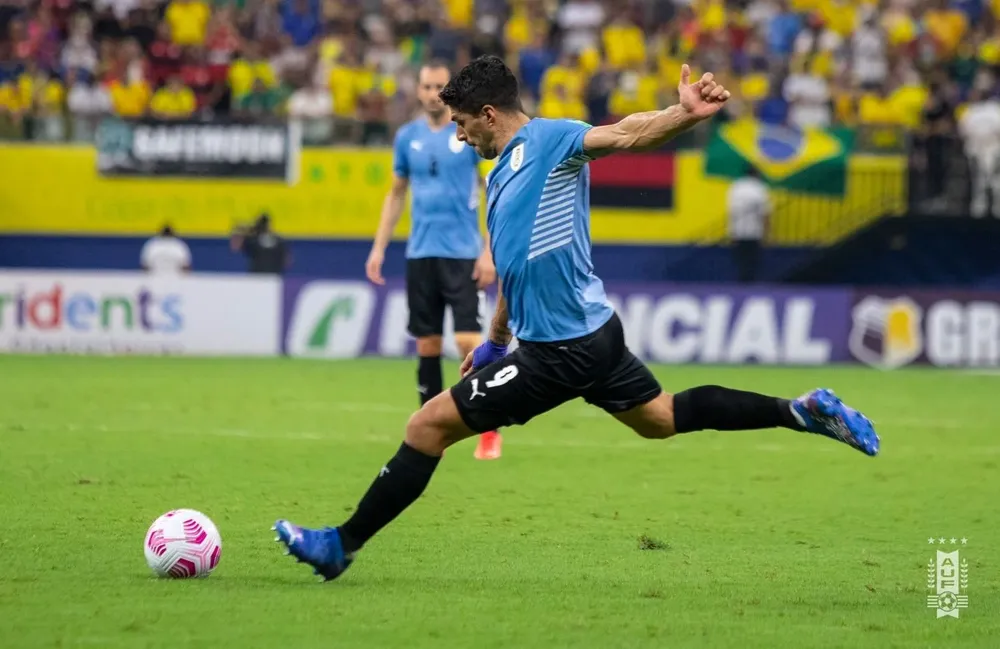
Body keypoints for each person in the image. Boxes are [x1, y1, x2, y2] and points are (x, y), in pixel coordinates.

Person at [273, 56, 880, 581]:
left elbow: (627, 135)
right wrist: (493, 343)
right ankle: (800, 411)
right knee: (661, 419)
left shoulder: (552, 140)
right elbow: (513, 268)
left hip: (559, 351)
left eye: (461, 123)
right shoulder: (499, 176)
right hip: (591, 334)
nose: (458, 137)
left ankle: (340, 546)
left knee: (427, 426)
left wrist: (686, 113)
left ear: (489, 113)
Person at [365, 60, 502, 461]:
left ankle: (489, 424)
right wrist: (378, 247)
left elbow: (493, 191)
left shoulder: (469, 134)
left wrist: (489, 252)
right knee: (426, 343)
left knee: (466, 341)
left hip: (462, 253)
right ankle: (430, 428)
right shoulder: (407, 138)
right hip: (420, 253)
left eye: (439, 87)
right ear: (419, 90)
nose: (432, 93)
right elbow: (395, 194)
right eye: (426, 86)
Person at [727, 167, 770, 283]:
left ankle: (742, 284)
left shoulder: (736, 188)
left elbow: (732, 212)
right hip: (754, 231)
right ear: (756, 175)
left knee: (741, 261)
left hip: (738, 230)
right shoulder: (760, 188)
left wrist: (731, 232)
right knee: (753, 262)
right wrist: (766, 234)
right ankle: (750, 284)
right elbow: (765, 213)